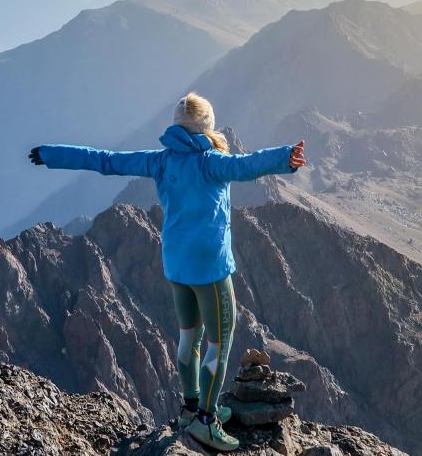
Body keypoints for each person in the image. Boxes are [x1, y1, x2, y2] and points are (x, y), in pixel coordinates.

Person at [29, 92, 305, 451]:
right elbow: (247, 165)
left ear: (177, 127)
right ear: (207, 126)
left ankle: (191, 408)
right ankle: (206, 421)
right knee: (218, 345)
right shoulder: (211, 162)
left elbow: (106, 161)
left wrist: (51, 154)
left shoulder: (161, 161)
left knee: (189, 337)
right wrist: (286, 158)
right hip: (210, 268)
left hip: (177, 266)